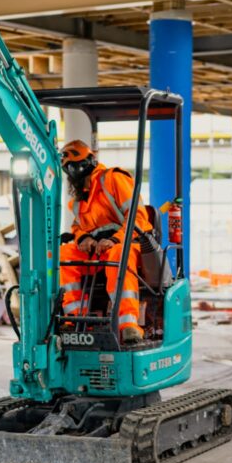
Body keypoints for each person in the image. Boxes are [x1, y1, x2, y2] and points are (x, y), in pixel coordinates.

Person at [58, 139, 150, 344]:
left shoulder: (114, 179)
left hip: (130, 243)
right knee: (61, 255)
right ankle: (76, 319)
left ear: (86, 163)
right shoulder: (79, 199)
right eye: (68, 168)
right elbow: (77, 226)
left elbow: (138, 217)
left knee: (119, 255)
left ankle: (128, 324)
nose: (71, 172)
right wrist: (84, 238)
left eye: (73, 166)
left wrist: (115, 239)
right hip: (99, 250)